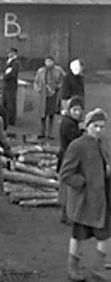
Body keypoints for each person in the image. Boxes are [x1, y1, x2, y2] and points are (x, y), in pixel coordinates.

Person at [60, 108, 111, 282]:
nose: (98, 130)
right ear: (87, 126)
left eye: (102, 126)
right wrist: (84, 182)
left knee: (105, 233)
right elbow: (65, 174)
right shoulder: (77, 146)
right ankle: (72, 267)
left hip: (102, 199)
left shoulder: (103, 142)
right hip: (84, 201)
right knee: (78, 235)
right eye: (95, 126)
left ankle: (99, 266)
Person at [57, 96, 84, 225]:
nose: (77, 113)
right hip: (69, 158)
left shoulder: (69, 122)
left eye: (79, 110)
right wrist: (83, 131)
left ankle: (65, 213)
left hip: (66, 157)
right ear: (70, 110)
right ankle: (67, 214)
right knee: (68, 186)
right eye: (75, 110)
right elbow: (76, 139)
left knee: (66, 186)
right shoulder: (68, 124)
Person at [34, 56, 65, 139]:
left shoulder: (58, 70)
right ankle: (42, 132)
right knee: (42, 114)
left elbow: (63, 79)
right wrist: (38, 89)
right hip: (43, 95)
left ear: (53, 62)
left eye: (50, 61)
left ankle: (50, 133)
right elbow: (36, 81)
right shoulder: (40, 71)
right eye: (47, 61)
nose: (48, 63)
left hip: (54, 95)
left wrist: (58, 86)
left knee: (52, 113)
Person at [1, 48, 20, 126]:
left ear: (14, 53)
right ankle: (6, 118)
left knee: (10, 103)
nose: (8, 54)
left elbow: (12, 74)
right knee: (5, 102)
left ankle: (11, 120)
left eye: (10, 53)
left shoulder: (15, 63)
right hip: (6, 85)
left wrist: (4, 76)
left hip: (11, 85)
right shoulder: (8, 61)